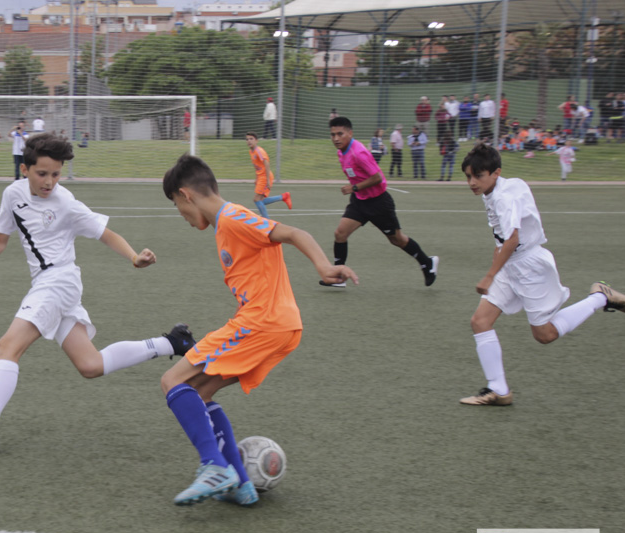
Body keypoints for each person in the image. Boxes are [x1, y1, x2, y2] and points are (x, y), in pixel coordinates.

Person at [0, 133, 196, 455]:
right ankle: (173, 342)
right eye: (42, 173)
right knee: (91, 365)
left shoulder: (66, 202)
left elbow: (106, 233)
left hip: (59, 281)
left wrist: (133, 257)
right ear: (25, 169)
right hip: (47, 284)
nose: (49, 181)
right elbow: (0, 240)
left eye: (56, 174)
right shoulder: (12, 194)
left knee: (7, 346)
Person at [158, 153, 357, 506]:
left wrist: (325, 266)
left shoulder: (233, 218)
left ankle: (214, 466)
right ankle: (241, 485)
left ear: (186, 195)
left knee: (172, 380)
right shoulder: (225, 225)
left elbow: (294, 232)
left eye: (178, 207)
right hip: (280, 326)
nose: (183, 217)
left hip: (261, 322)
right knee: (199, 393)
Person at [456, 143, 625, 406]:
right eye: (468, 176)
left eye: (478, 176)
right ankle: (499, 391)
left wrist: (490, 275)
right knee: (480, 321)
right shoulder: (504, 186)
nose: (472, 182)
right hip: (511, 264)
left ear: (496, 173)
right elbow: (506, 236)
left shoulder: (503, 196)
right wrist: (498, 256)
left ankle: (600, 297)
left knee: (544, 335)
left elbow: (513, 239)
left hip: (529, 266)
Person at [324, 116, 438, 288]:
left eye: (340, 134)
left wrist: (354, 187)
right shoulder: (341, 151)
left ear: (350, 133)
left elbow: (378, 178)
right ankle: (339, 277)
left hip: (378, 203)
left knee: (397, 240)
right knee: (340, 234)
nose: (336, 139)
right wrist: (356, 190)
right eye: (333, 135)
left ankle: (427, 262)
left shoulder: (359, 152)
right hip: (360, 201)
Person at [245, 132, 292, 218]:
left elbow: (266, 164)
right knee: (260, 200)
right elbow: (257, 166)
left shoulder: (259, 151)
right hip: (261, 177)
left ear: (256, 141)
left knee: (256, 199)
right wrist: (256, 179)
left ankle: (266, 220)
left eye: (251, 139)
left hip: (265, 177)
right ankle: (283, 197)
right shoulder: (251, 152)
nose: (249, 141)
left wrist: (267, 180)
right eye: (247, 139)